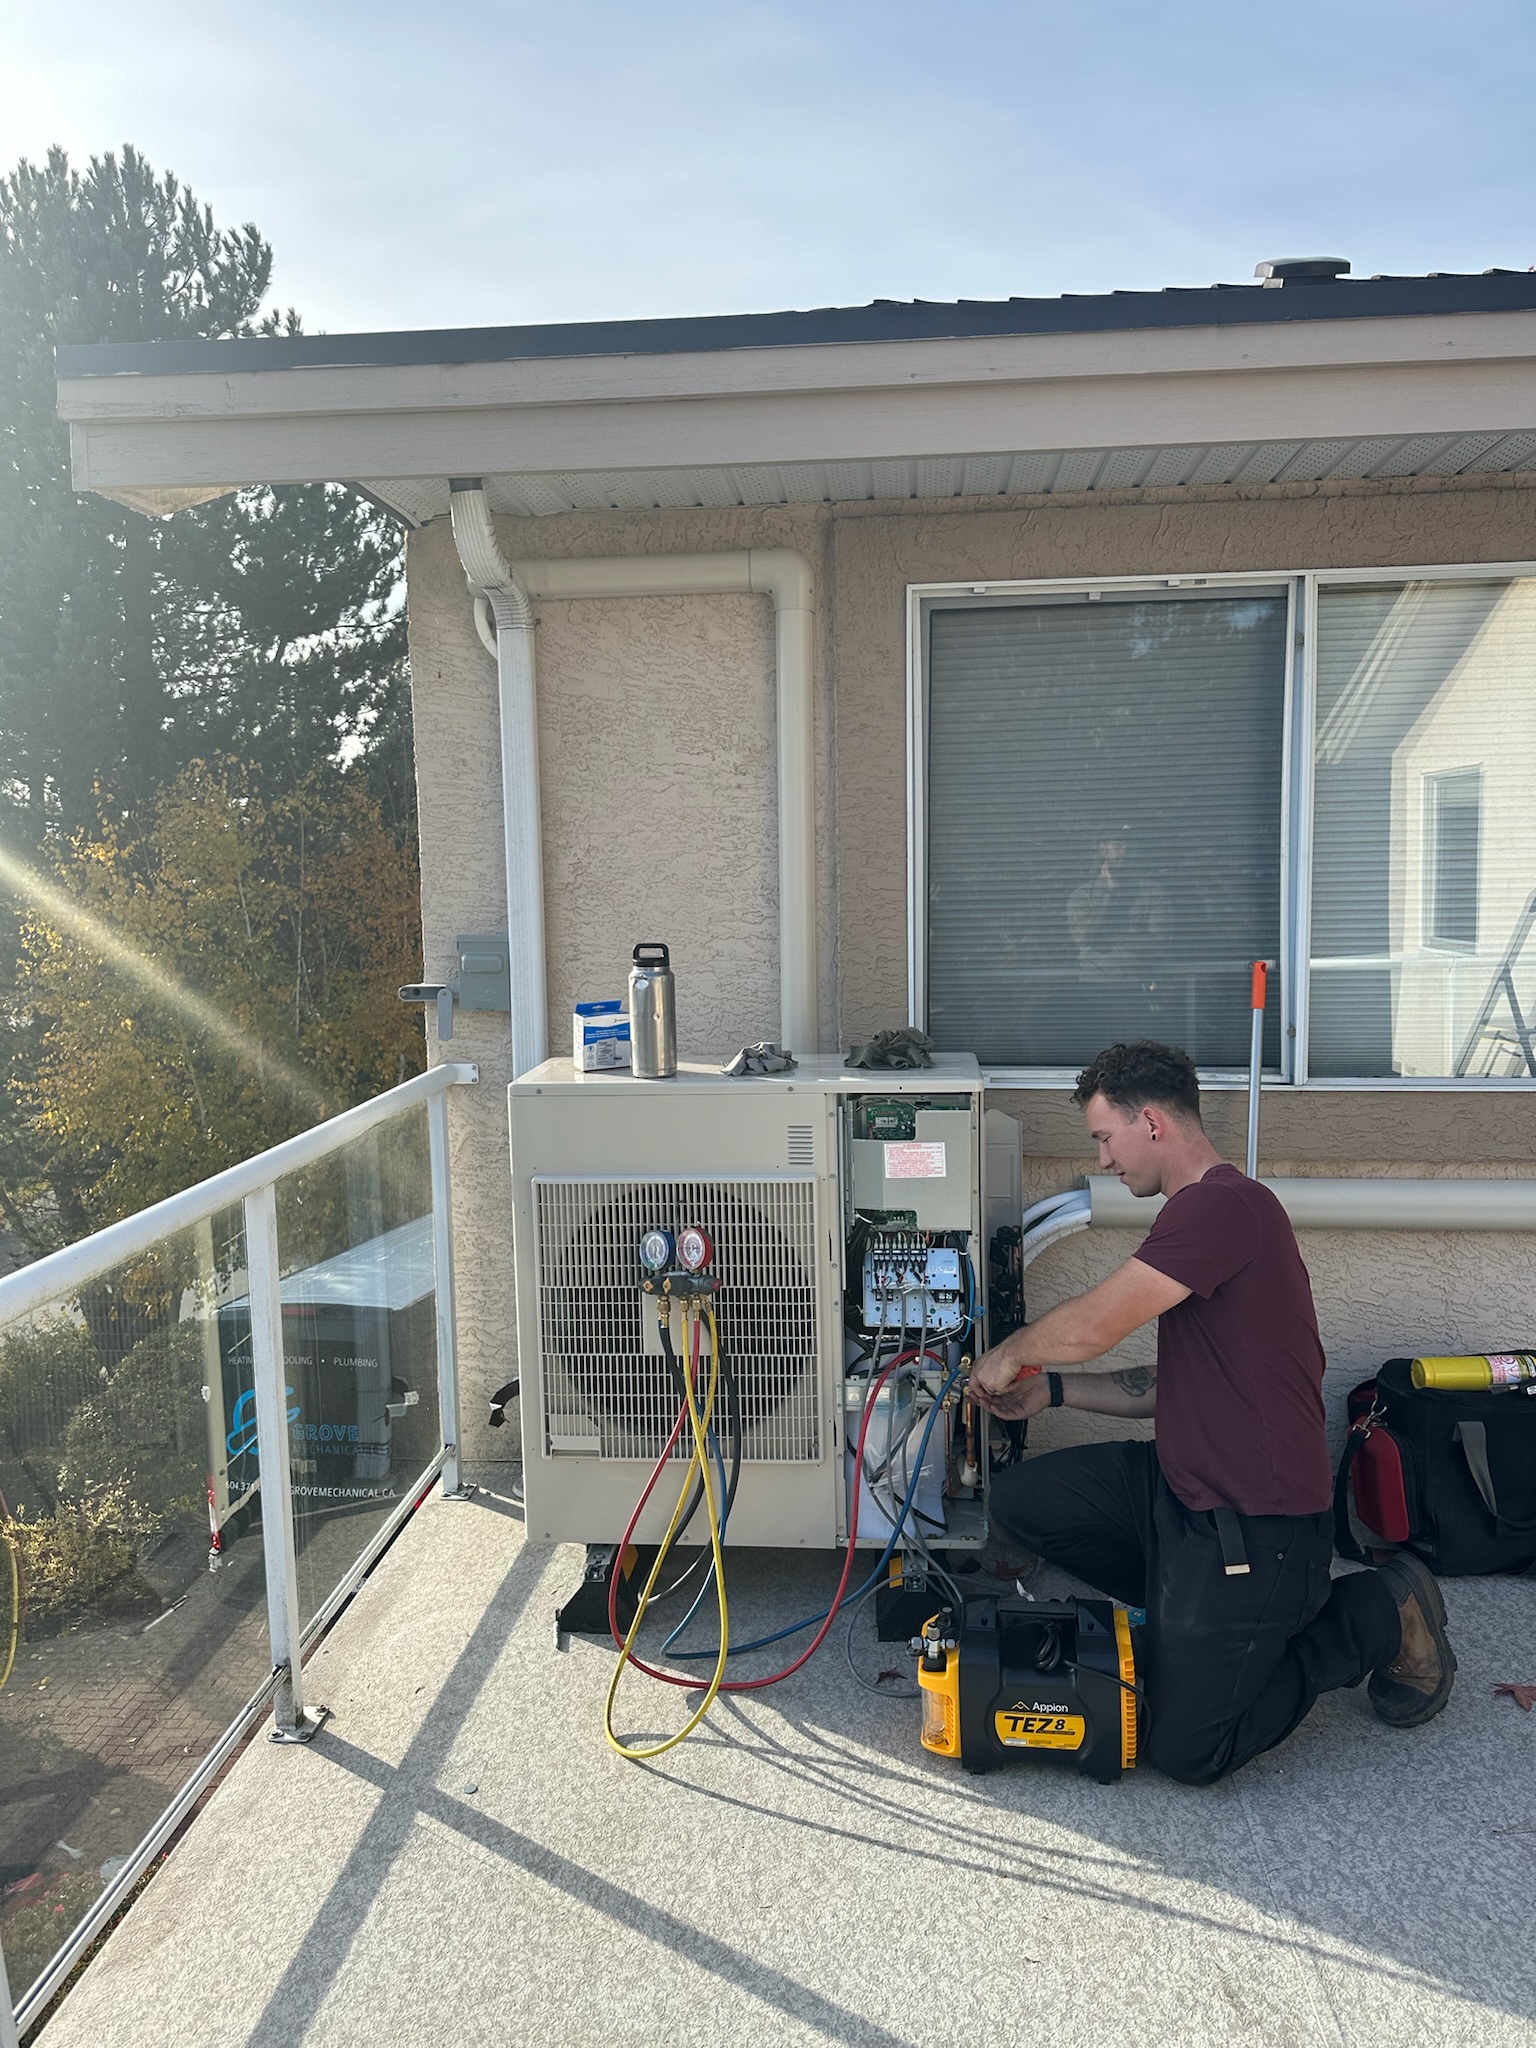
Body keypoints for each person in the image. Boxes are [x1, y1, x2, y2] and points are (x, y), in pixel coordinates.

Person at [969, 1039, 1456, 1786]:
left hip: (1258, 1524)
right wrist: (1055, 1392)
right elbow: (1171, 1386)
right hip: (1180, 1489)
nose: (1103, 1160)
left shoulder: (1223, 1206)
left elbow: (1097, 1325)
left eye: (1105, 1137)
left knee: (1188, 1752)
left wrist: (1008, 1356)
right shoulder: (1200, 1221)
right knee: (1023, 1501)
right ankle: (1200, 1623)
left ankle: (1380, 1612)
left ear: (1153, 1123)